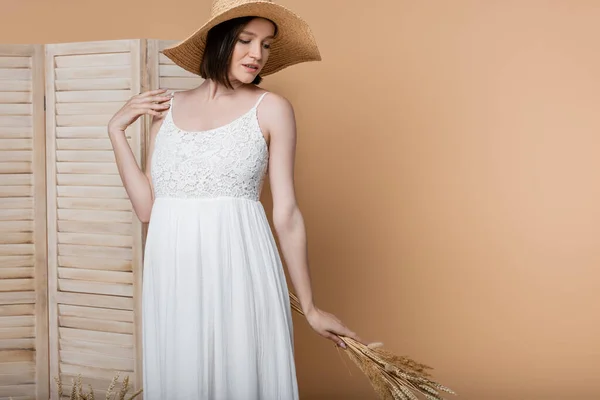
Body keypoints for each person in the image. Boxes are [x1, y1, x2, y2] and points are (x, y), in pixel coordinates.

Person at [107, 0, 362, 398]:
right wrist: (116, 132)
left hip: (241, 267)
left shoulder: (272, 109)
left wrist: (310, 307)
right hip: (173, 274)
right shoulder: (167, 108)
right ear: (219, 42)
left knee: (242, 376)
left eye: (266, 45)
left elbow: (288, 213)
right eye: (246, 40)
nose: (257, 54)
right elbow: (147, 209)